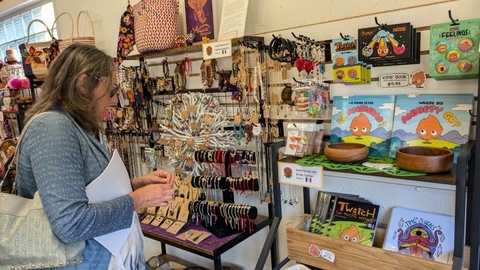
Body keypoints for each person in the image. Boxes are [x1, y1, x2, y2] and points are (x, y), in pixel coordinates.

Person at [15, 43, 175, 269]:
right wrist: (138, 199)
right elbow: (71, 224)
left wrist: (135, 184)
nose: (112, 100)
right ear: (82, 85)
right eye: (110, 90)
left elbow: (82, 191)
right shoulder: (53, 128)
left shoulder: (72, 125)